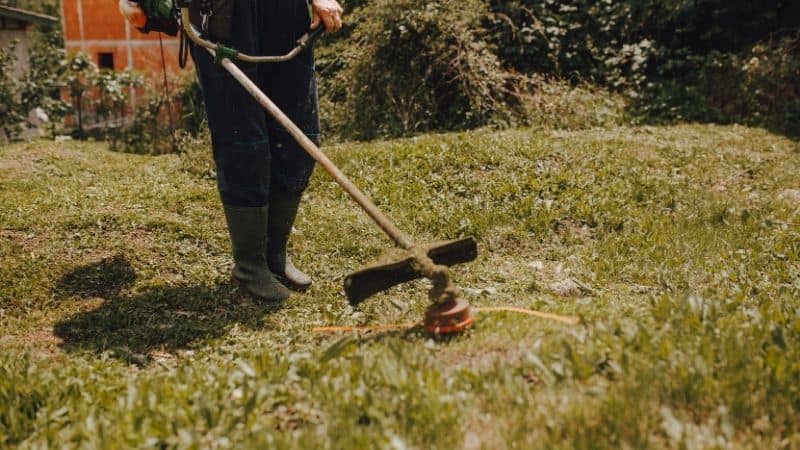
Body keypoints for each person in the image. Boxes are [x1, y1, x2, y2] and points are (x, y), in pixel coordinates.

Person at [121, 0, 344, 301]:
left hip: (284, 11)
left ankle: (275, 254)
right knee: (244, 141)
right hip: (222, 14)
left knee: (298, 131)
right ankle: (251, 266)